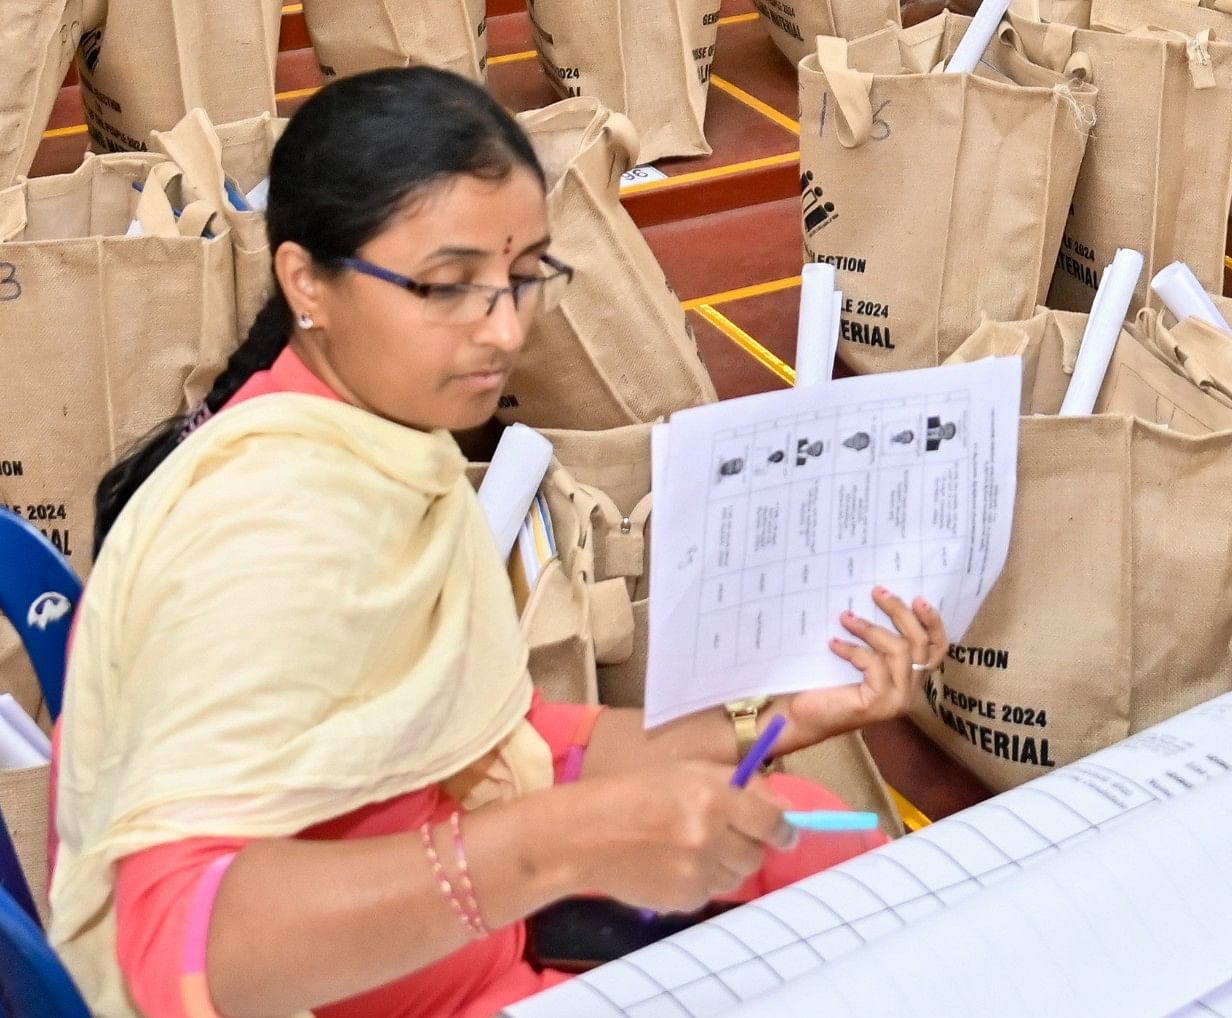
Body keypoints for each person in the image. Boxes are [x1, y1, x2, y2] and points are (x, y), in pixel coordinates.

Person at [53, 69, 946, 1018]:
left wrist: (775, 717)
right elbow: (175, 949)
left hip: (462, 943)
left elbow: (488, 749)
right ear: (306, 280)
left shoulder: (377, 441)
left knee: (810, 833)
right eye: (448, 287)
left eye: (523, 280)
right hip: (374, 989)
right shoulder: (268, 532)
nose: (505, 330)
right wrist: (547, 846)